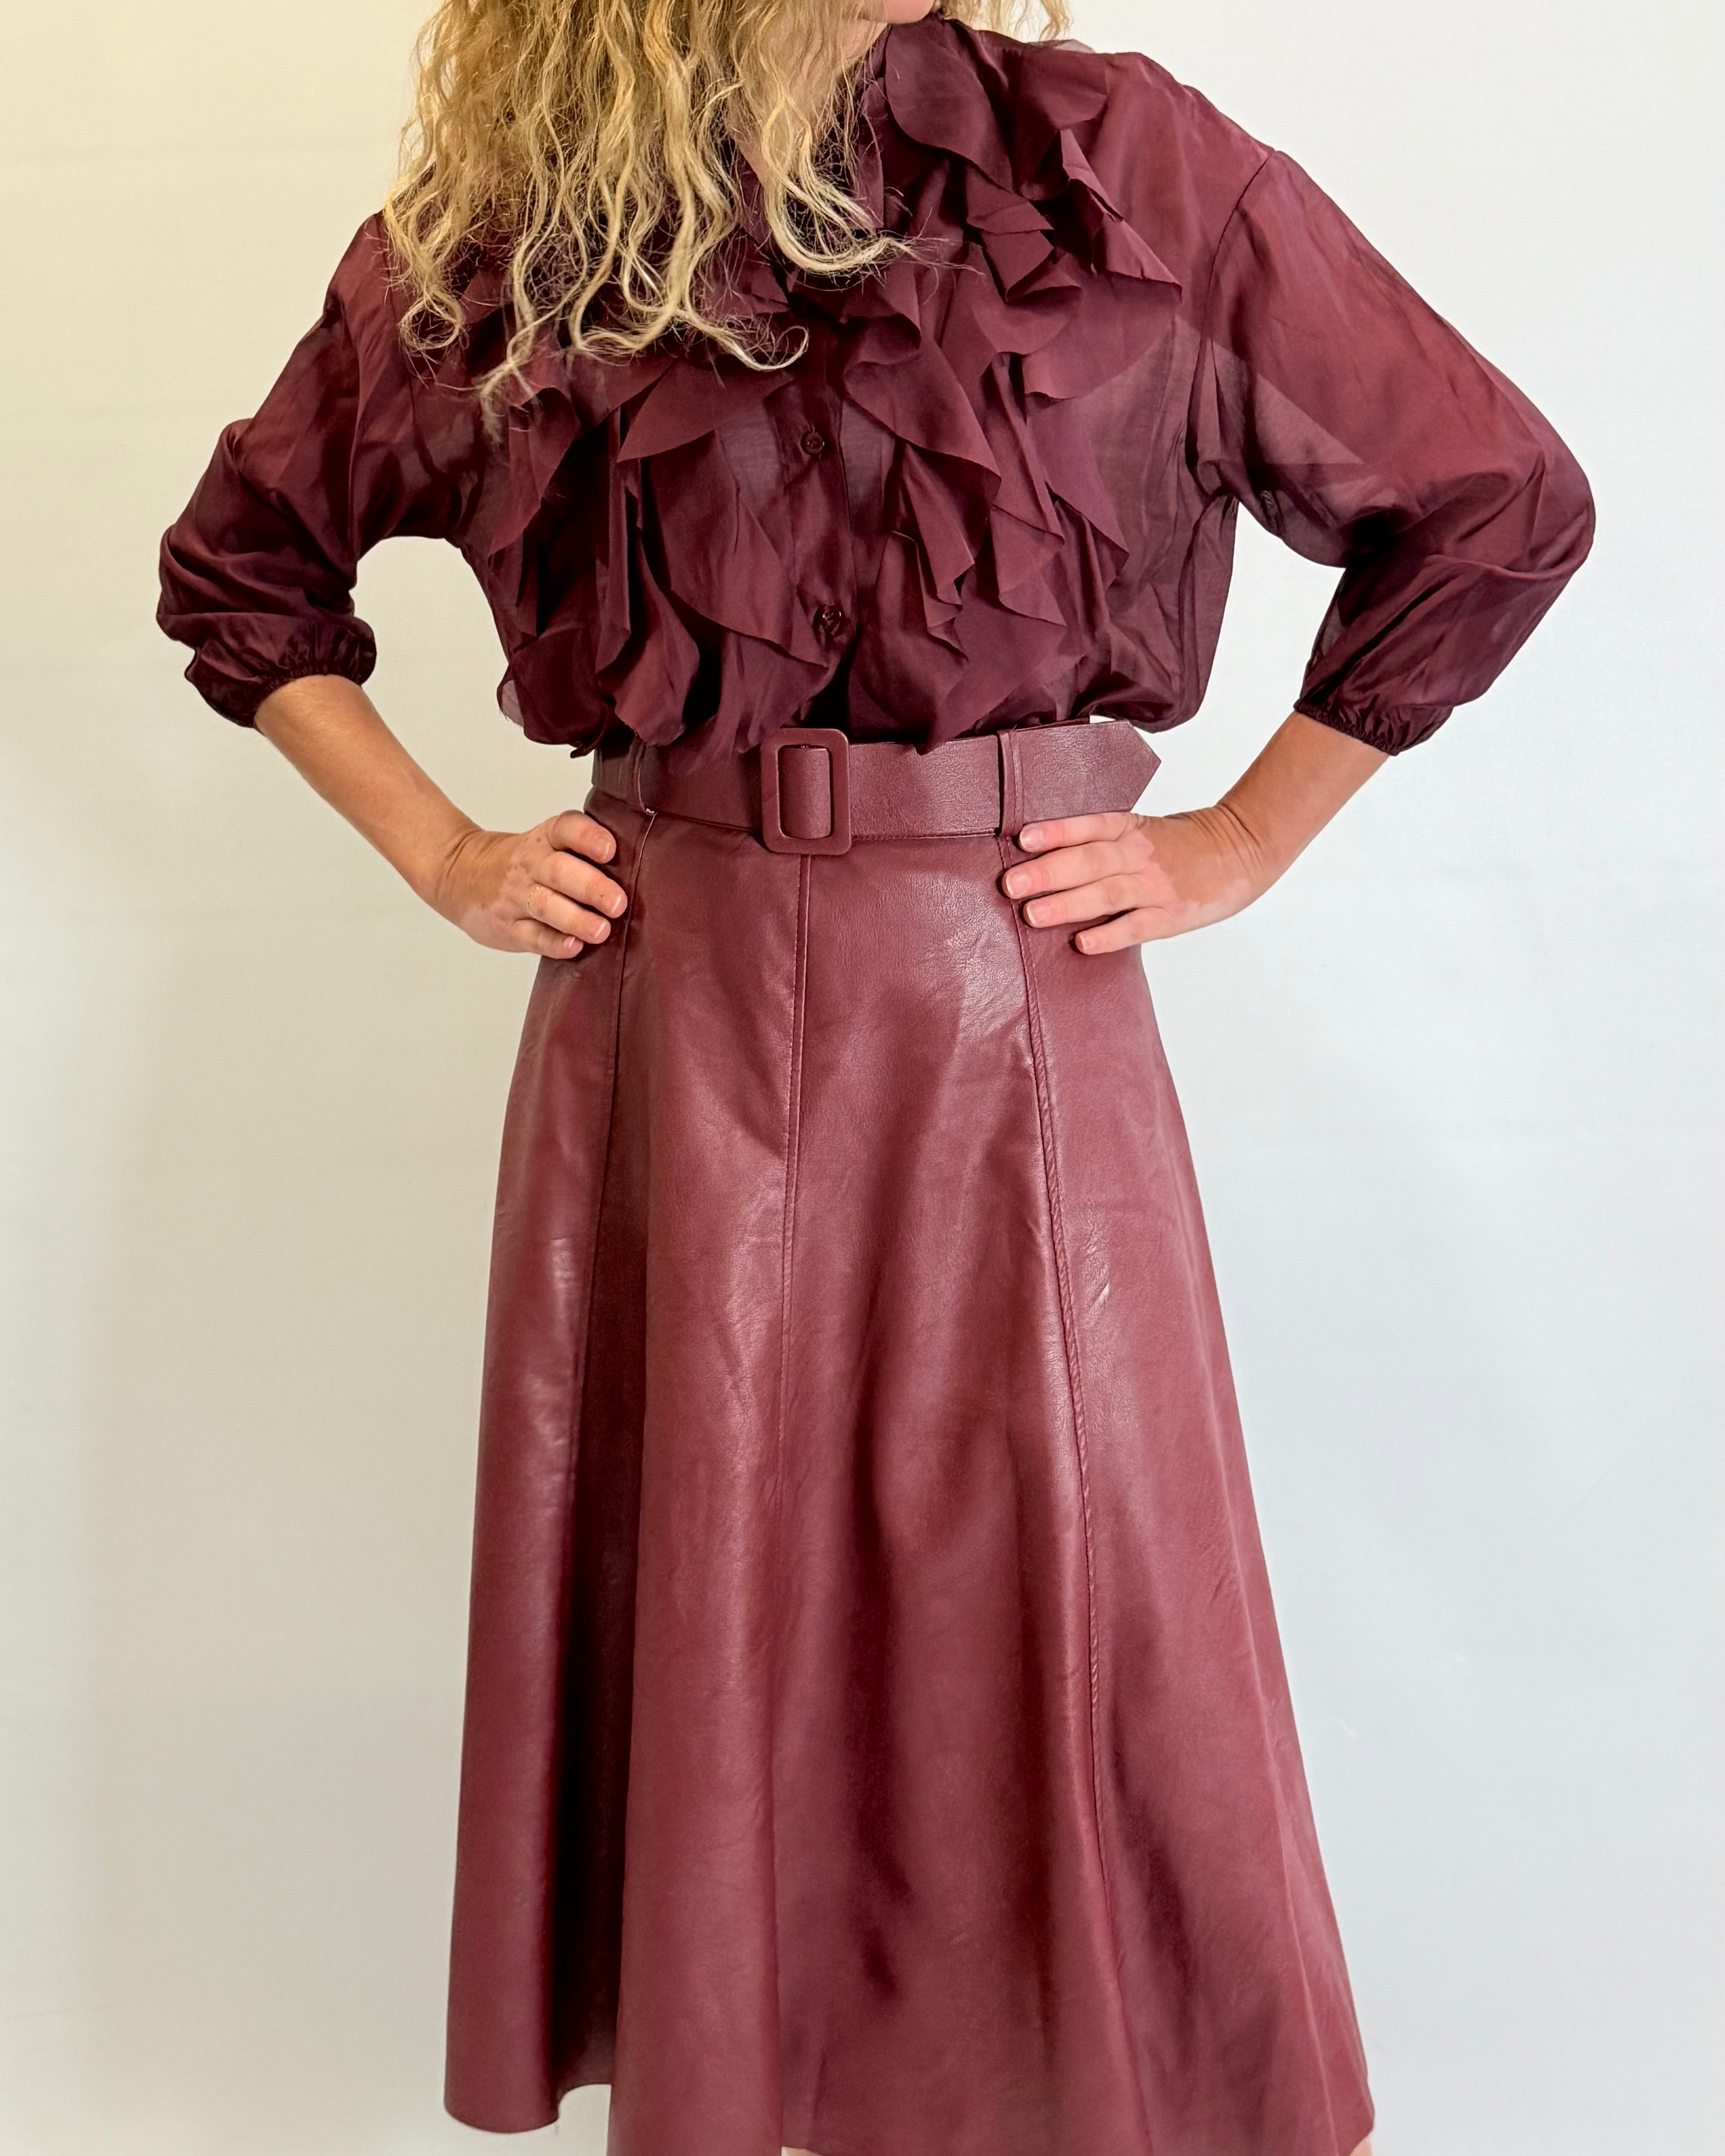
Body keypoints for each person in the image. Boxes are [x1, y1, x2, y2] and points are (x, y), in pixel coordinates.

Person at [156, 0, 1593, 2148]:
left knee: (1087, 1625)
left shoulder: (1121, 161)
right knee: (715, 1617)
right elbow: (241, 574)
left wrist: (1243, 833)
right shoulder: (508, 213)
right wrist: (447, 851)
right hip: (670, 1012)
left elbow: (1494, 499)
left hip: (1016, 1001)